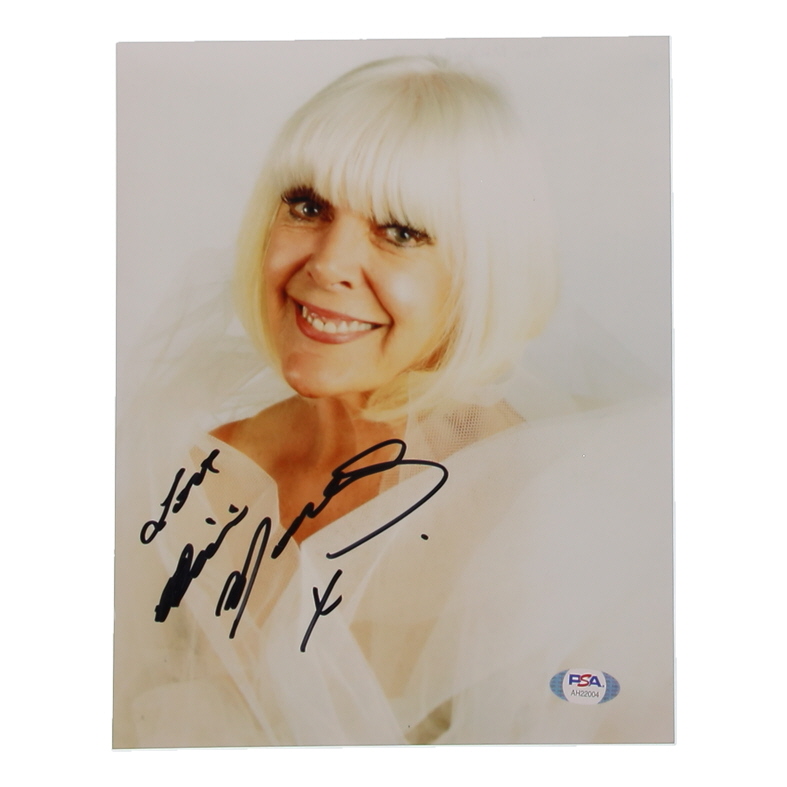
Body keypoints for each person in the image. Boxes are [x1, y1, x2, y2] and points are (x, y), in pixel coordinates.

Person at [114, 55, 673, 747]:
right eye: (307, 206)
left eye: (400, 232)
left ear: (482, 275)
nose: (327, 263)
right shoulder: (199, 476)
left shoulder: (550, 523)